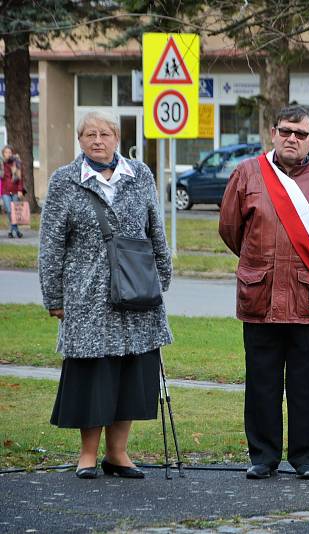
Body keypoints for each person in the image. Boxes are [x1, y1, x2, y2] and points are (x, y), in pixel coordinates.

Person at [219, 104, 309, 481]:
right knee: (261, 383)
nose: (292, 139)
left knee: (307, 385)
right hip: (259, 297)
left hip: (308, 298)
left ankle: (307, 459)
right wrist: (259, 262)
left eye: (301, 134)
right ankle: (263, 457)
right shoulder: (247, 174)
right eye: (286, 131)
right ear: (273, 132)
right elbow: (230, 230)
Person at [39, 111, 173, 479]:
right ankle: (87, 455)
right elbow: (51, 245)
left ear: (118, 137)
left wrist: (161, 279)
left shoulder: (140, 175)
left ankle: (118, 454)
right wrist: (54, 296)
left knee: (131, 374)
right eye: (90, 134)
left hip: (136, 296)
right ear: (80, 140)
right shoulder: (65, 181)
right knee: (93, 375)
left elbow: (155, 230)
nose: (98, 140)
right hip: (87, 298)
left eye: (106, 133)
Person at [2, 144, 25, 238]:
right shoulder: (1, 164)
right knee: (9, 210)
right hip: (5, 191)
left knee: (15, 211)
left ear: (12, 153)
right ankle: (16, 231)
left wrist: (20, 190)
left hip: (15, 190)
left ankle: (12, 231)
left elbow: (20, 178)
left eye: (9, 152)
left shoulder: (17, 163)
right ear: (3, 154)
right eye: (6, 152)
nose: (8, 154)